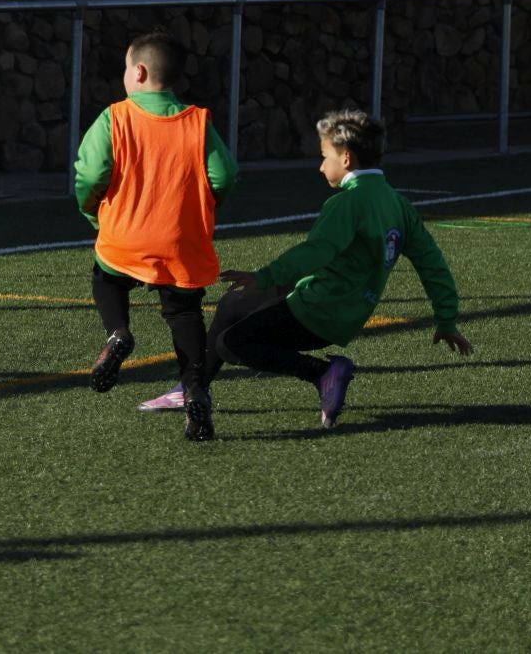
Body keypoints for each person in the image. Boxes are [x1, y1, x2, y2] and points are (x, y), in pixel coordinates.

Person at [208, 109, 472, 434]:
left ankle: (321, 373)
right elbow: (433, 265)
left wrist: (264, 276)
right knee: (233, 304)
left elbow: (315, 253)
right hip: (347, 312)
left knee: (230, 343)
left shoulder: (347, 203)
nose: (321, 166)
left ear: (346, 158)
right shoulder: (398, 203)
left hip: (316, 311)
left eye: (324, 156)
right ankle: (193, 386)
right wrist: (446, 320)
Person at [74, 30, 236, 442]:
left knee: (106, 277)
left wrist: (92, 209)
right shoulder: (198, 121)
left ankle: (118, 332)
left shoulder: (115, 116)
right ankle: (195, 387)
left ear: (139, 72)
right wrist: (201, 203)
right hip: (181, 239)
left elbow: (91, 173)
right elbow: (224, 175)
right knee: (183, 312)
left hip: (124, 235)